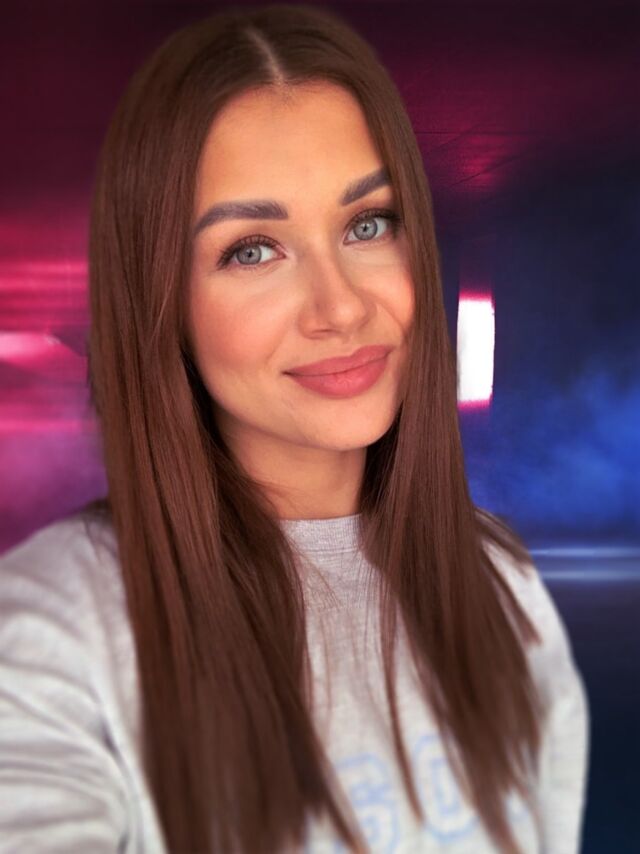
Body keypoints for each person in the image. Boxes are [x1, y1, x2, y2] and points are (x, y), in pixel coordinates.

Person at [0, 3, 589, 853]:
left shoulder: (500, 580)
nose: (340, 307)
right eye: (252, 249)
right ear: (163, 302)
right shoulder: (52, 627)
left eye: (367, 224)